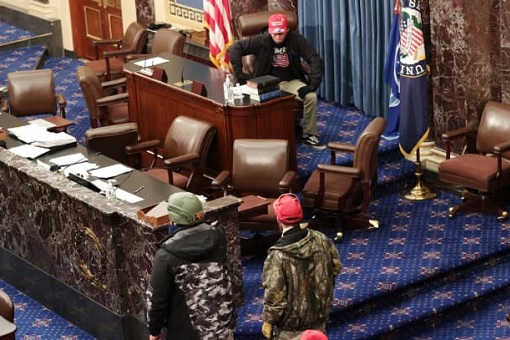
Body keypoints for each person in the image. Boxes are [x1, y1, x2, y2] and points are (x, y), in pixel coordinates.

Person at [229, 13, 326, 150]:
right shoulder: (261, 40)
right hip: (266, 82)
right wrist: (239, 73)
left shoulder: (296, 39)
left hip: (290, 81)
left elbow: (314, 59)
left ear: (286, 30)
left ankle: (308, 136)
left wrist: (312, 85)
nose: (278, 36)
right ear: (269, 31)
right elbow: (235, 48)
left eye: (281, 33)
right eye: (275, 33)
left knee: (311, 97)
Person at [146, 192, 236, 340]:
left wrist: (154, 331)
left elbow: (157, 299)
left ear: (173, 219)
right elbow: (231, 278)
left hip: (186, 331)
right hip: (221, 326)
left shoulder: (166, 255)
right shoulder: (220, 238)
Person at [261, 193, 342, 339]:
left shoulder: (278, 255)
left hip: (290, 329)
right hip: (318, 319)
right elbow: (335, 268)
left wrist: (268, 320)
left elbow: (275, 296)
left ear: (279, 219)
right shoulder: (321, 239)